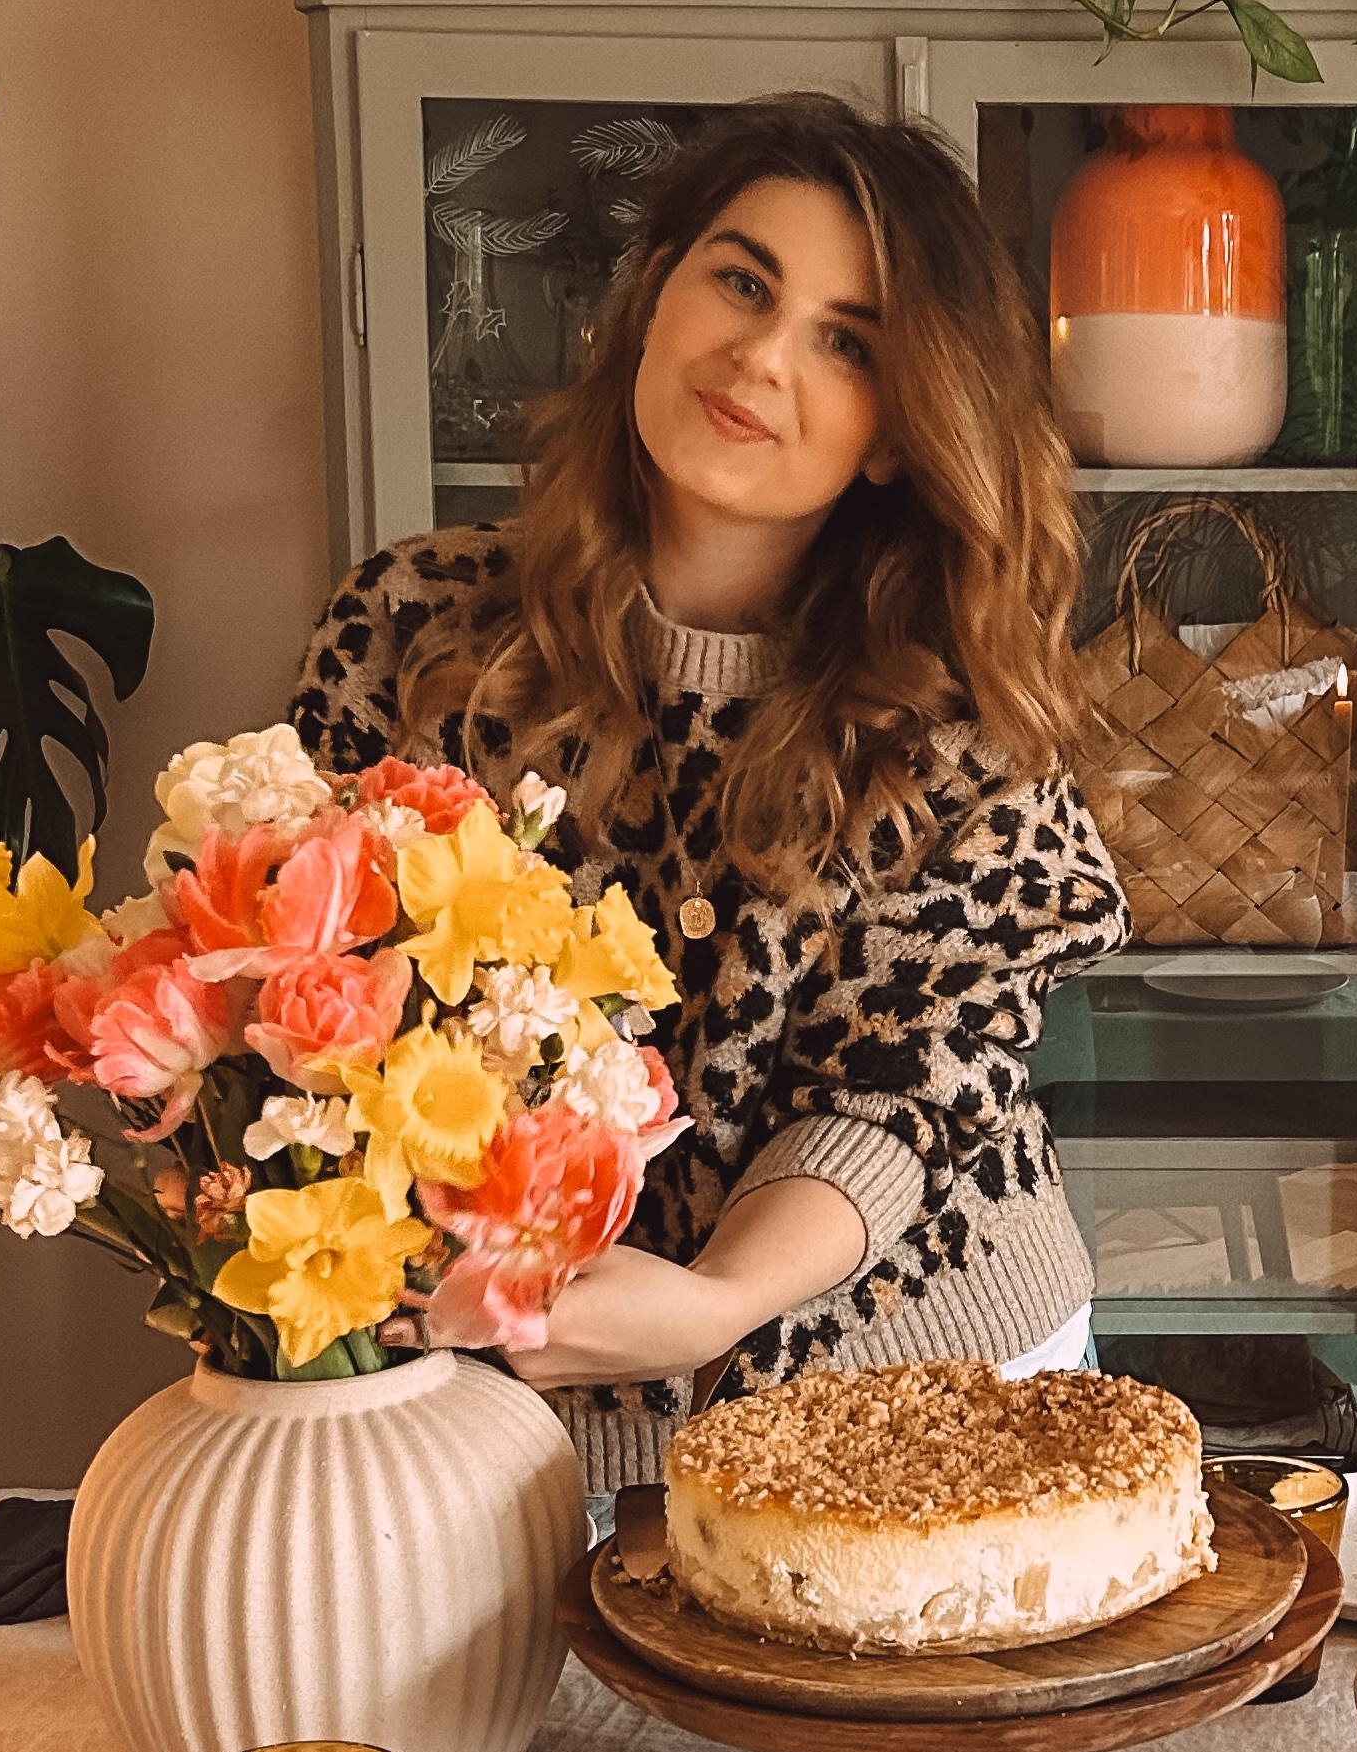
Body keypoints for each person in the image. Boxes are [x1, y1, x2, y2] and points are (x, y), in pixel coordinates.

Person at [286, 92, 1125, 1505]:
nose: (759, 357)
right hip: (492, 1415)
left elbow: (911, 1077)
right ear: (654, 294)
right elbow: (316, 999)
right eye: (743, 280)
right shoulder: (407, 633)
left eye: (846, 342)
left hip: (922, 1387)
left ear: (892, 432)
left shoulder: (957, 712)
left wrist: (719, 1297)